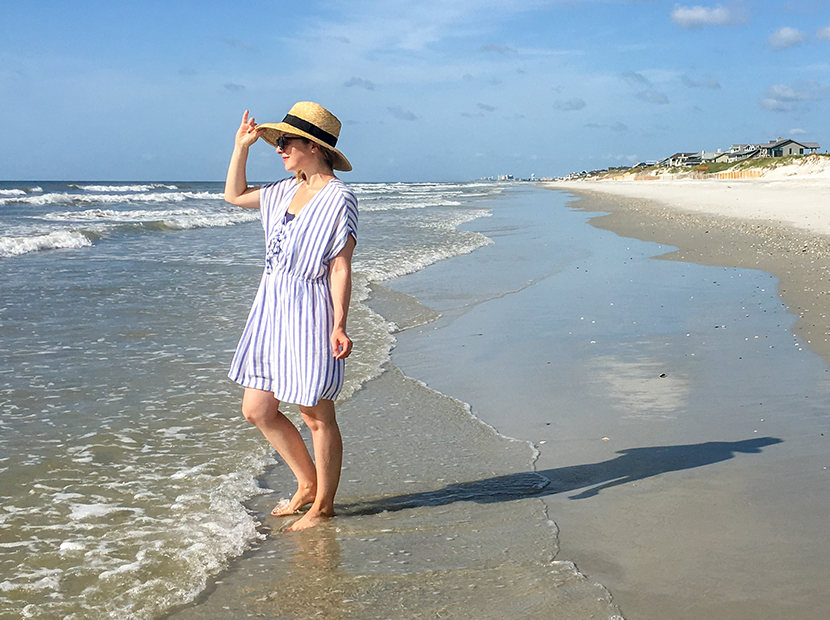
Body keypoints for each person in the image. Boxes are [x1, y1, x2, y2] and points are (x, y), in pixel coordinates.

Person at [224, 101, 357, 531]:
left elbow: (340, 266)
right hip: (271, 308)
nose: (279, 148)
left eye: (286, 141)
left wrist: (339, 323)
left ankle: (323, 505)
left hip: (310, 310)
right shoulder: (282, 190)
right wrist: (240, 147)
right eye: (277, 141)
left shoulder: (340, 198)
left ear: (313, 147)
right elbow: (234, 196)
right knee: (257, 408)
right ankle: (306, 483)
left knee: (315, 413)